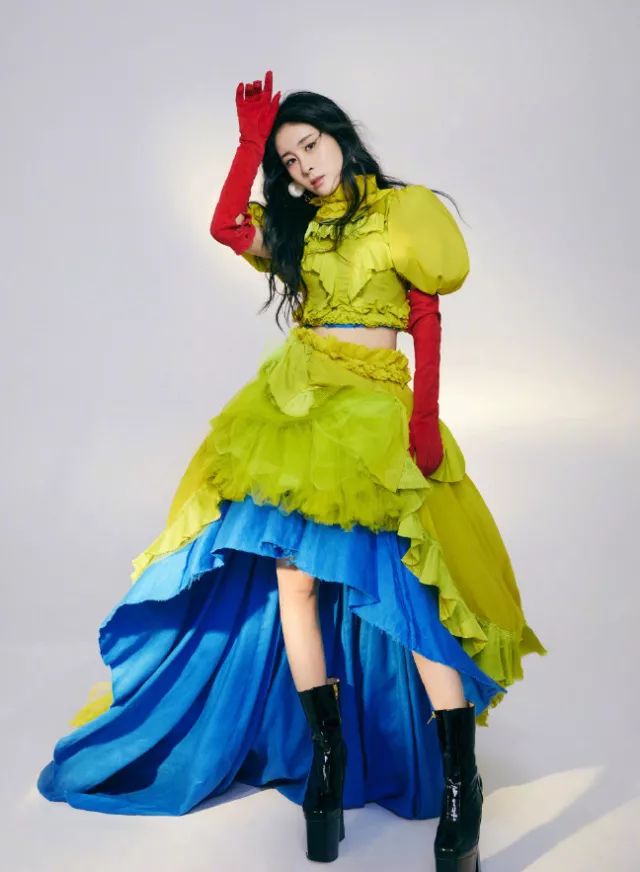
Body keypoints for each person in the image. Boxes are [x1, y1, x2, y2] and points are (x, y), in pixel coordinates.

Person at [36, 70, 548, 869]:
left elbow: (426, 314)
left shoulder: (403, 212)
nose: (306, 165)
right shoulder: (300, 227)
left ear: (340, 137)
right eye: (290, 159)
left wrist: (423, 416)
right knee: (295, 584)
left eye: (311, 145)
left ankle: (461, 788)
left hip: (372, 414)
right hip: (299, 406)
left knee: (406, 590)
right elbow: (224, 227)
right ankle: (326, 764)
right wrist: (249, 145)